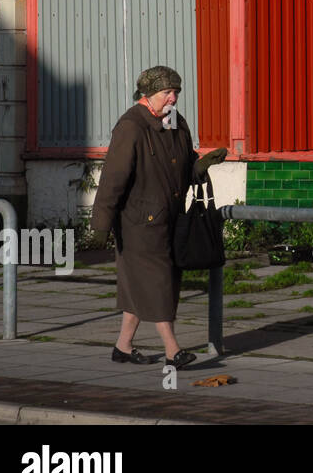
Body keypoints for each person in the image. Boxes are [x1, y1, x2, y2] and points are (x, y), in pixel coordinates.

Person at [91, 66, 227, 367]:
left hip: (171, 219)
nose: (173, 98)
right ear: (148, 94)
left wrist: (201, 165)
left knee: (146, 285)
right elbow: (113, 178)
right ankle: (172, 351)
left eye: (176, 91)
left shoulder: (176, 123)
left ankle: (123, 347)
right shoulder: (130, 126)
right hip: (139, 223)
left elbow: (184, 165)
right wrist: (101, 223)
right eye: (167, 92)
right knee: (158, 283)